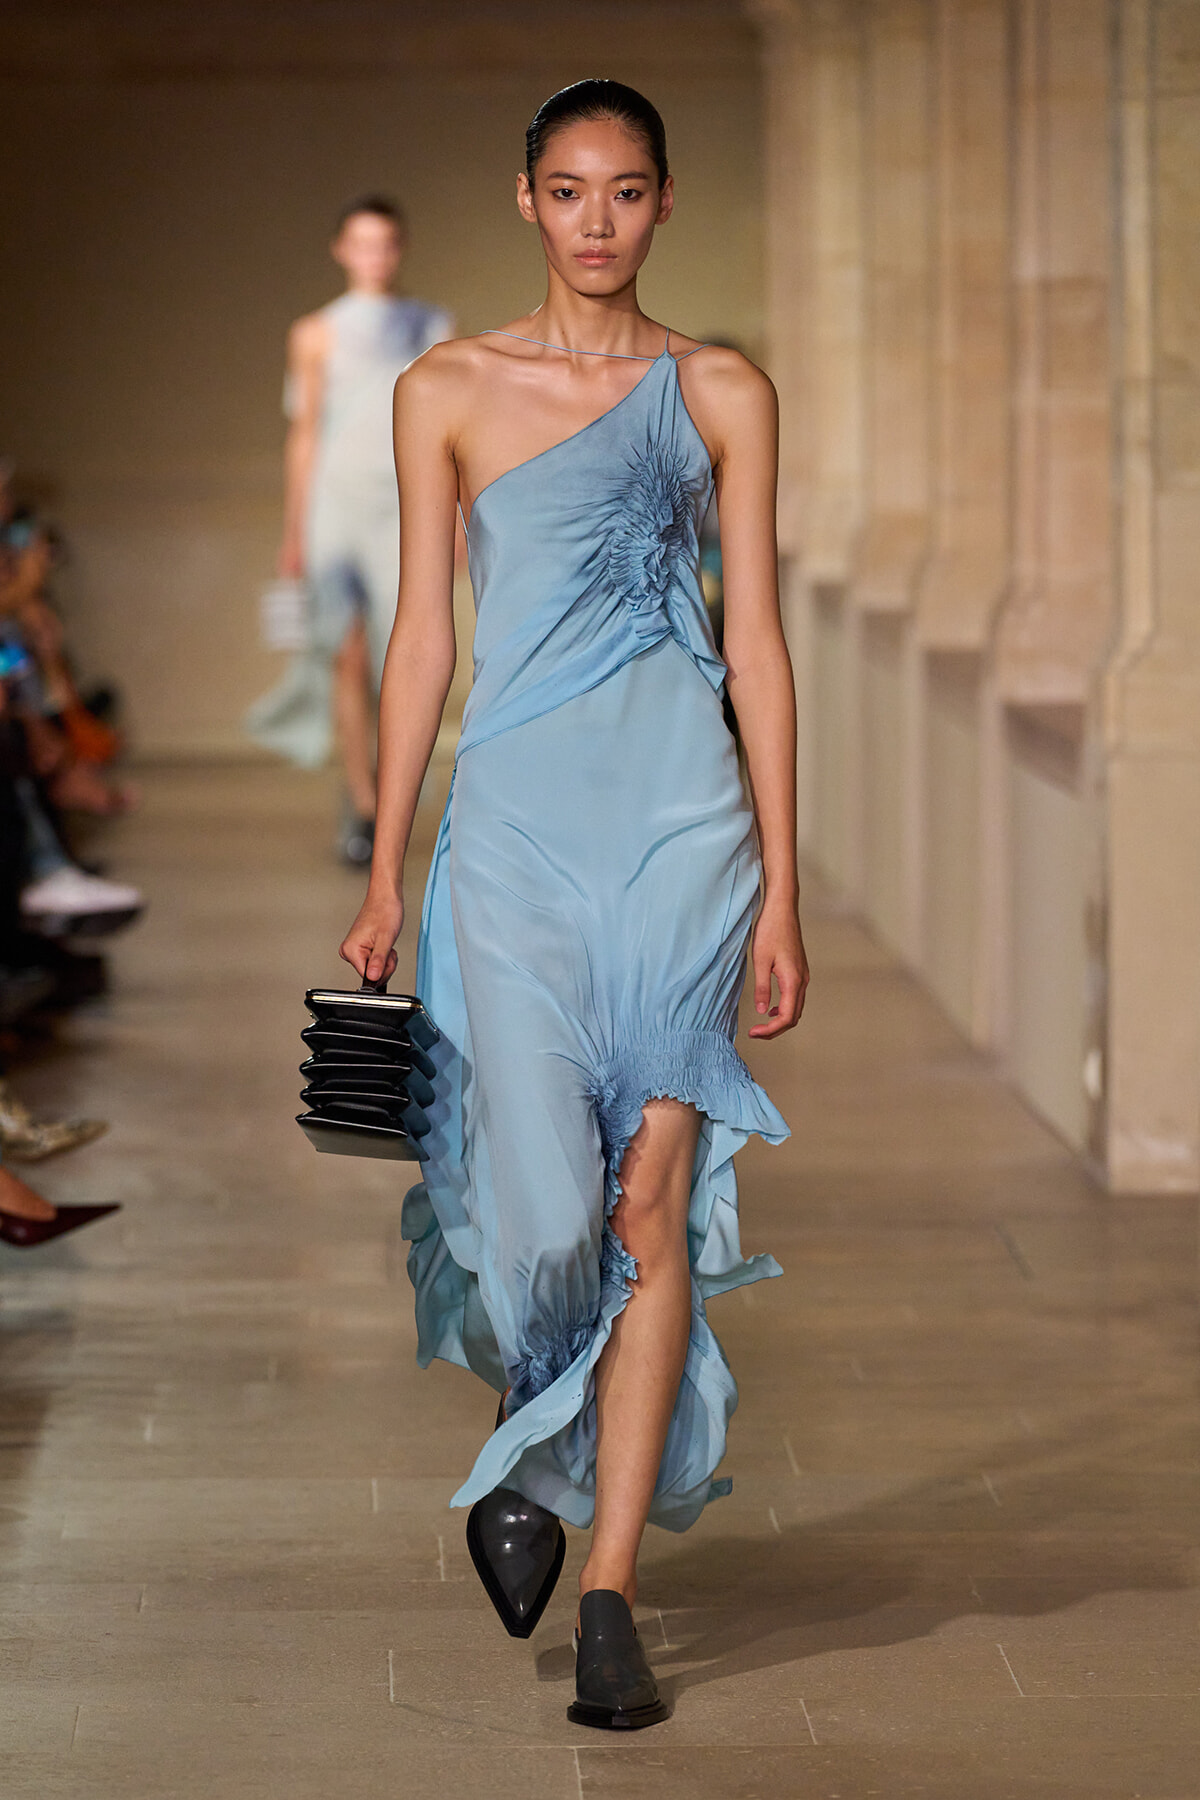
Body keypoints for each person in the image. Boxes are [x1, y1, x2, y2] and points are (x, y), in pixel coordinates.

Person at [339, 80, 809, 1728]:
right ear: (526, 203)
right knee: (537, 1219)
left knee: (648, 1207)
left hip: (683, 831)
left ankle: (607, 1590)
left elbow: (754, 644)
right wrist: (388, 857)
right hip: (520, 837)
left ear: (664, 205)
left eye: (626, 191)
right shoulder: (445, 390)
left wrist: (782, 895)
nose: (597, 219)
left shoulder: (722, 390)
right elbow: (422, 643)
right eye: (568, 190)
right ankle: (534, 1440)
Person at [247, 196, 454, 863]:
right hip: (335, 506)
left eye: (386, 242)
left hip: (403, 506)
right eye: (362, 243)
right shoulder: (315, 332)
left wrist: (451, 516)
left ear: (401, 248)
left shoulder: (432, 324)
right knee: (348, 654)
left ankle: (388, 795)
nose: (374, 255)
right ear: (340, 249)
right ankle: (362, 801)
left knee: (407, 655)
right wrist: (294, 529)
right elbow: (304, 434)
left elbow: (449, 430)